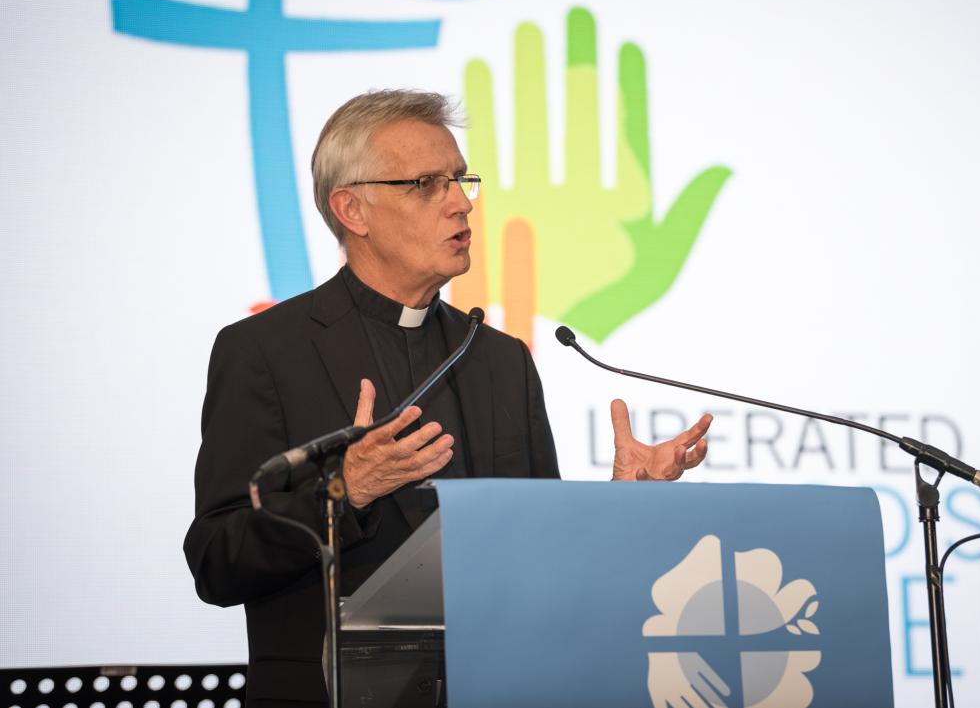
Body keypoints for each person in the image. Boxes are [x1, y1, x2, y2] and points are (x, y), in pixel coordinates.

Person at [183, 90, 711, 707]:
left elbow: (544, 560)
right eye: (428, 184)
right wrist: (343, 491)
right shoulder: (266, 351)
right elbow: (217, 560)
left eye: (461, 181)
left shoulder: (499, 359)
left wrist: (624, 510)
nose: (461, 203)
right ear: (353, 209)